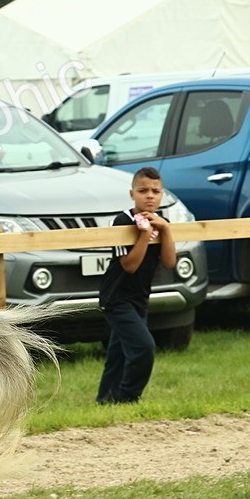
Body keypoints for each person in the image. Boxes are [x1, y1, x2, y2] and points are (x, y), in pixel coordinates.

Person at [96, 166, 177, 404]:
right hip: (115, 298)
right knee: (143, 347)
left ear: (162, 195)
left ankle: (105, 399)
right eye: (143, 191)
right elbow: (129, 266)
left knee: (119, 352)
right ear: (132, 194)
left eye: (155, 191)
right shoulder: (122, 221)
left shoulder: (162, 222)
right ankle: (129, 397)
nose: (149, 196)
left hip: (139, 298)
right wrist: (144, 234)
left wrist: (165, 229)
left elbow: (169, 262)